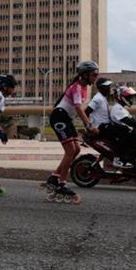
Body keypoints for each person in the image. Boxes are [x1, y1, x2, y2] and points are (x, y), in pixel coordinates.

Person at [41, 60, 100, 204]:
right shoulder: (77, 87)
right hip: (59, 116)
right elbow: (79, 108)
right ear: (85, 75)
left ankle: (54, 177)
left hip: (66, 118)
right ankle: (62, 184)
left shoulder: (84, 88)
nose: (96, 77)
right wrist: (89, 125)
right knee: (70, 150)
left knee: (76, 149)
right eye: (94, 74)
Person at [85, 77, 132, 169]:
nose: (109, 88)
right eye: (107, 86)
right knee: (125, 130)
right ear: (101, 87)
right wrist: (89, 127)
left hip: (106, 125)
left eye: (109, 86)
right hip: (101, 127)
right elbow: (86, 112)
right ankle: (117, 159)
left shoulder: (102, 98)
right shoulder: (97, 99)